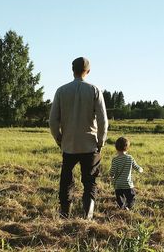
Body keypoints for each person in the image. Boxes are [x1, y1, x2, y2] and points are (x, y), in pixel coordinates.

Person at [49, 57, 108, 219]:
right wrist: (100, 142)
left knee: (66, 180)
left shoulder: (61, 91)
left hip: (69, 145)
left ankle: (64, 214)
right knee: (90, 182)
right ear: (88, 71)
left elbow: (53, 121)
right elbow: (103, 120)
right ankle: (87, 217)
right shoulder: (94, 90)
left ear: (72, 70)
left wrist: (59, 139)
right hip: (90, 145)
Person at [110, 137, 143, 210]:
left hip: (118, 184)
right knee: (131, 197)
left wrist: (111, 176)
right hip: (127, 184)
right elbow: (137, 167)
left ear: (116, 147)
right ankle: (128, 207)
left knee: (120, 198)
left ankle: (122, 207)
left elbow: (112, 172)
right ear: (127, 147)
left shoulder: (115, 159)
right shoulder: (130, 158)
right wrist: (141, 169)